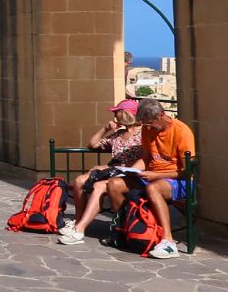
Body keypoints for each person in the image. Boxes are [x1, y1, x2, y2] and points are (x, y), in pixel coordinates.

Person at [103, 97, 195, 259]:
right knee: (115, 184)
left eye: (149, 123)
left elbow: (186, 171)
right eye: (145, 124)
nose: (147, 128)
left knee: (154, 188)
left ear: (160, 115)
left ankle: (168, 242)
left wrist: (156, 175)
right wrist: (129, 171)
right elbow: (146, 159)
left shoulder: (182, 132)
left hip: (178, 179)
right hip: (151, 175)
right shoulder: (148, 129)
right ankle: (124, 229)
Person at [57, 99, 142, 246]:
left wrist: (111, 168)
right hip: (112, 172)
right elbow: (93, 144)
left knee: (99, 186)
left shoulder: (143, 135)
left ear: (125, 114)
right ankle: (79, 220)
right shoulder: (118, 135)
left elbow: (143, 160)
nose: (115, 116)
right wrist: (105, 129)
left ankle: (79, 229)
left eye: (117, 112)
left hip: (129, 174)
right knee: (79, 181)